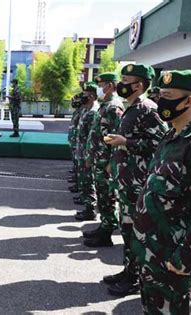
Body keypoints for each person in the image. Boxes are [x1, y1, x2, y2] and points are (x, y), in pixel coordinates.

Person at [132, 69, 191, 314]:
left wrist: (185, 260)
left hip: (173, 258)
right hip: (151, 250)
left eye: (167, 95)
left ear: (189, 101)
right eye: (159, 95)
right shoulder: (172, 135)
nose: (160, 101)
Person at [104, 64, 169, 296]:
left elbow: (161, 143)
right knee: (127, 229)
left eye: (126, 80)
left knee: (138, 233)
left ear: (139, 85)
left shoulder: (148, 109)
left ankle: (136, 278)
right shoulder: (131, 107)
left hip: (139, 184)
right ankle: (129, 271)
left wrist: (126, 143)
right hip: (126, 183)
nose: (121, 84)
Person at [83, 72, 124, 246]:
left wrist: (111, 161)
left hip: (105, 161)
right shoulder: (104, 105)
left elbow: (116, 136)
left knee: (108, 197)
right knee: (102, 196)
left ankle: (107, 232)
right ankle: (104, 225)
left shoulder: (114, 107)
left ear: (111, 86)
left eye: (102, 85)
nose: (99, 88)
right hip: (99, 158)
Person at [74, 82, 99, 221]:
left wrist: (89, 155)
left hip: (87, 153)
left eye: (84, 95)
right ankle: (87, 205)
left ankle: (90, 210)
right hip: (82, 152)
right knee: (84, 180)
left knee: (89, 181)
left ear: (91, 96)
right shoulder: (87, 110)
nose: (81, 98)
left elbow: (93, 136)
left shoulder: (93, 112)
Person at [67, 93, 84, 193]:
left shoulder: (85, 111)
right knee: (76, 162)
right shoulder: (79, 111)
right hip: (75, 140)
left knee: (81, 166)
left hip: (81, 143)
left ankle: (80, 187)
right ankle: (77, 179)